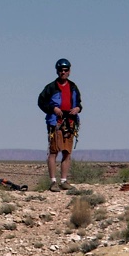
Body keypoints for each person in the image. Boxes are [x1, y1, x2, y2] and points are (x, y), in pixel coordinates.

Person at [37, 58, 83, 192]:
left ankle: (64, 181)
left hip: (70, 122)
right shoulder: (50, 87)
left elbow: (79, 103)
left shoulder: (73, 87)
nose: (63, 72)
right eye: (61, 70)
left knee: (67, 152)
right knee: (53, 151)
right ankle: (53, 182)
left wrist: (77, 109)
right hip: (55, 122)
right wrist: (52, 109)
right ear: (57, 71)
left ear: (69, 71)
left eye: (66, 70)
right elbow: (41, 102)